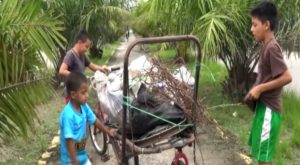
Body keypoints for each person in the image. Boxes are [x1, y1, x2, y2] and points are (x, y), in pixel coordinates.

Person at [244, 2, 292, 165]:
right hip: (264, 109)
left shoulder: (272, 48)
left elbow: (287, 77)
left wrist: (260, 88)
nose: (251, 29)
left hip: (269, 111)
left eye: (254, 24)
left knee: (264, 158)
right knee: (260, 154)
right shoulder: (266, 46)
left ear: (266, 25)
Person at [60, 72, 115, 165]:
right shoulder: (68, 116)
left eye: (87, 92)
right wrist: (75, 162)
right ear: (73, 95)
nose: (87, 95)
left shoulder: (84, 106)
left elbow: (95, 120)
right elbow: (69, 142)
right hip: (70, 161)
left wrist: (107, 131)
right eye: (83, 93)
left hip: (82, 157)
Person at [59, 30, 109, 103]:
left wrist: (102, 68)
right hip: (72, 94)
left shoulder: (82, 55)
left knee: (81, 112)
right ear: (79, 43)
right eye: (86, 46)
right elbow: (62, 71)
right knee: (74, 113)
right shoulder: (70, 55)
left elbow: (92, 66)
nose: (87, 49)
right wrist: (77, 76)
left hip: (80, 93)